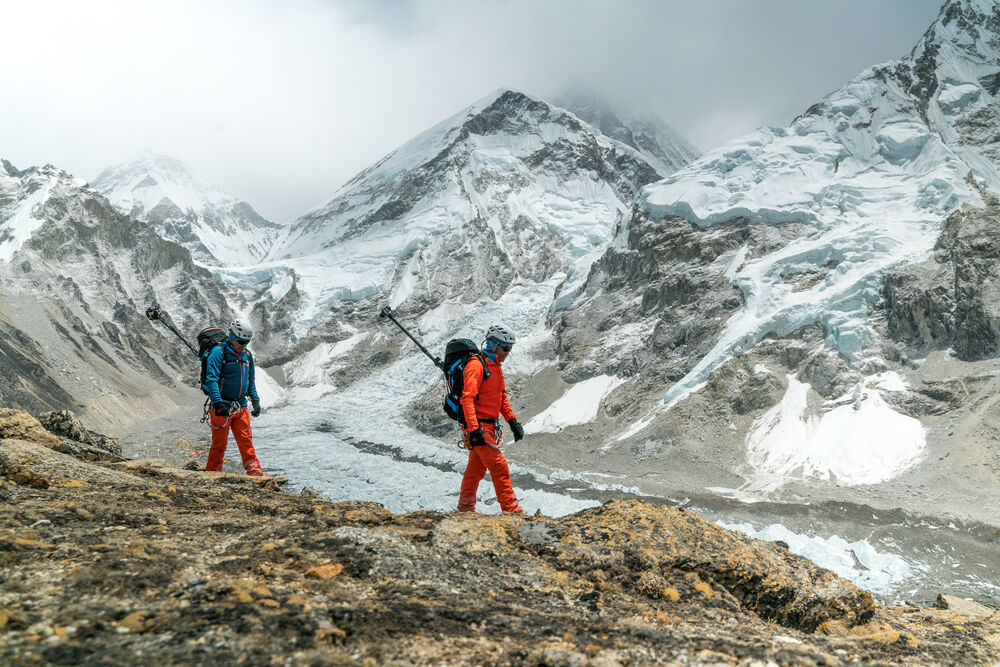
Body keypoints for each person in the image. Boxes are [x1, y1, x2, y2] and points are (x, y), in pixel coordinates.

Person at [457, 324, 526, 514]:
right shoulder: (476, 365)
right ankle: (512, 512)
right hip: (479, 428)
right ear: (495, 344)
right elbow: (467, 399)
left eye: (510, 349)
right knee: (499, 467)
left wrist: (513, 422)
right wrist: (473, 430)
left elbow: (501, 397)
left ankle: (465, 510)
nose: (508, 353)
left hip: (488, 427)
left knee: (475, 472)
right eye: (506, 348)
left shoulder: (495, 367)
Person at [202, 318, 263, 476]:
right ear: (232, 337)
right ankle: (212, 476)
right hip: (221, 408)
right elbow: (212, 379)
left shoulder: (247, 355)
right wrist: (218, 402)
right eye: (241, 342)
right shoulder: (218, 352)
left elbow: (250, 381)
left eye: (246, 343)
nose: (243, 346)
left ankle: (256, 475)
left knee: (246, 443)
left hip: (240, 407)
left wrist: (255, 400)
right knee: (219, 445)